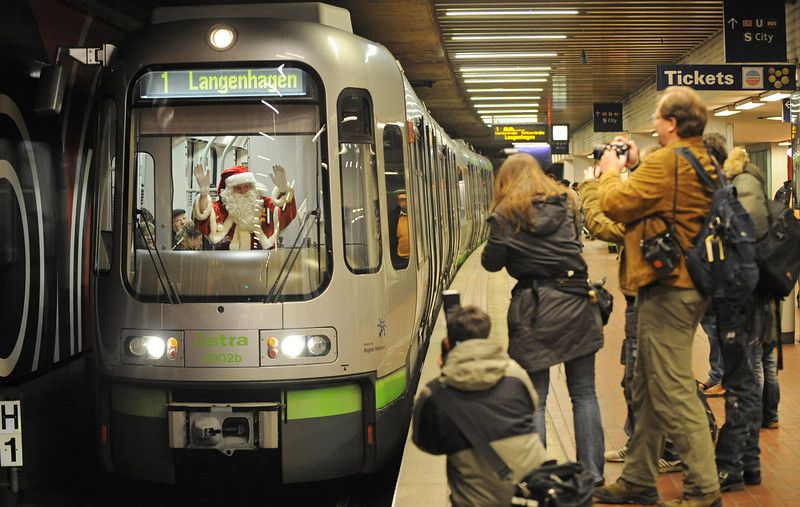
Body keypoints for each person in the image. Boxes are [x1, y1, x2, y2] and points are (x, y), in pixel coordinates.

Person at [593, 86, 722, 507]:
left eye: (656, 118)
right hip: (683, 284)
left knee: (673, 387)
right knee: (647, 386)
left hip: (670, 289)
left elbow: (614, 204)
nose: (651, 124)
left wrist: (611, 170)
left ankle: (704, 490)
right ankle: (638, 478)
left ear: (671, 123)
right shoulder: (696, 159)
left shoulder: (669, 161)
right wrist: (637, 161)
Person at [481, 153, 605, 485]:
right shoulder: (565, 203)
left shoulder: (505, 214)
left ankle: (539, 475)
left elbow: (492, 264)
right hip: (577, 301)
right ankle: (592, 473)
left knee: (536, 398)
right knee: (585, 393)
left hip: (535, 309)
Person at [580, 145, 683, 475]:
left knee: (647, 378)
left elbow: (602, 224)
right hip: (643, 296)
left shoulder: (653, 207)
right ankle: (640, 442)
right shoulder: (661, 198)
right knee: (634, 377)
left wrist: (594, 183)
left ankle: (668, 449)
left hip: (648, 297)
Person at [412, 306, 547, 507]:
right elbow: (532, 407)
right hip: (533, 493)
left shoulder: (433, 394)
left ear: (448, 344)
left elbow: (427, 444)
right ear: (486, 336)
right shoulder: (515, 372)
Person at [711, 146, 771, 492]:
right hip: (743, 296)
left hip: (744, 298)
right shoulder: (737, 184)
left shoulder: (740, 185)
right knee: (743, 380)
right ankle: (749, 464)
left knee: (743, 382)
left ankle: (733, 465)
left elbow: (748, 235)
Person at [192, 164, 296, 250]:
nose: (243, 191)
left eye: (247, 186)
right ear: (230, 191)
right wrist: (204, 194)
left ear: (253, 186)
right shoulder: (223, 208)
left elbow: (286, 214)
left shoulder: (263, 203)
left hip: (262, 262)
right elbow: (203, 217)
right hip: (227, 264)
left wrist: (283, 191)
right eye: (238, 188)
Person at [696, 133, 729, 398]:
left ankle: (721, 377)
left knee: (716, 328)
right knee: (712, 329)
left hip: (717, 270)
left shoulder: (719, 188)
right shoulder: (721, 186)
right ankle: (716, 375)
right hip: (714, 269)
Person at [388, 191, 410, 269]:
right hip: (400, 258)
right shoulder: (394, 216)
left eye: (404, 199)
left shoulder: (416, 214)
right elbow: (391, 236)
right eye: (400, 200)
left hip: (415, 255)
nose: (402, 202)